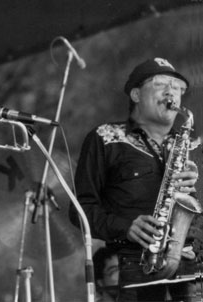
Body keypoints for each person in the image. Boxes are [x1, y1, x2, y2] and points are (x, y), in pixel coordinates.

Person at [69, 57, 201, 301]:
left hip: (188, 267)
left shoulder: (185, 143)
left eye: (177, 86)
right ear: (136, 95)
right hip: (134, 267)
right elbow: (79, 210)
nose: (171, 90)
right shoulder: (105, 137)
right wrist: (126, 227)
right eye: (161, 83)